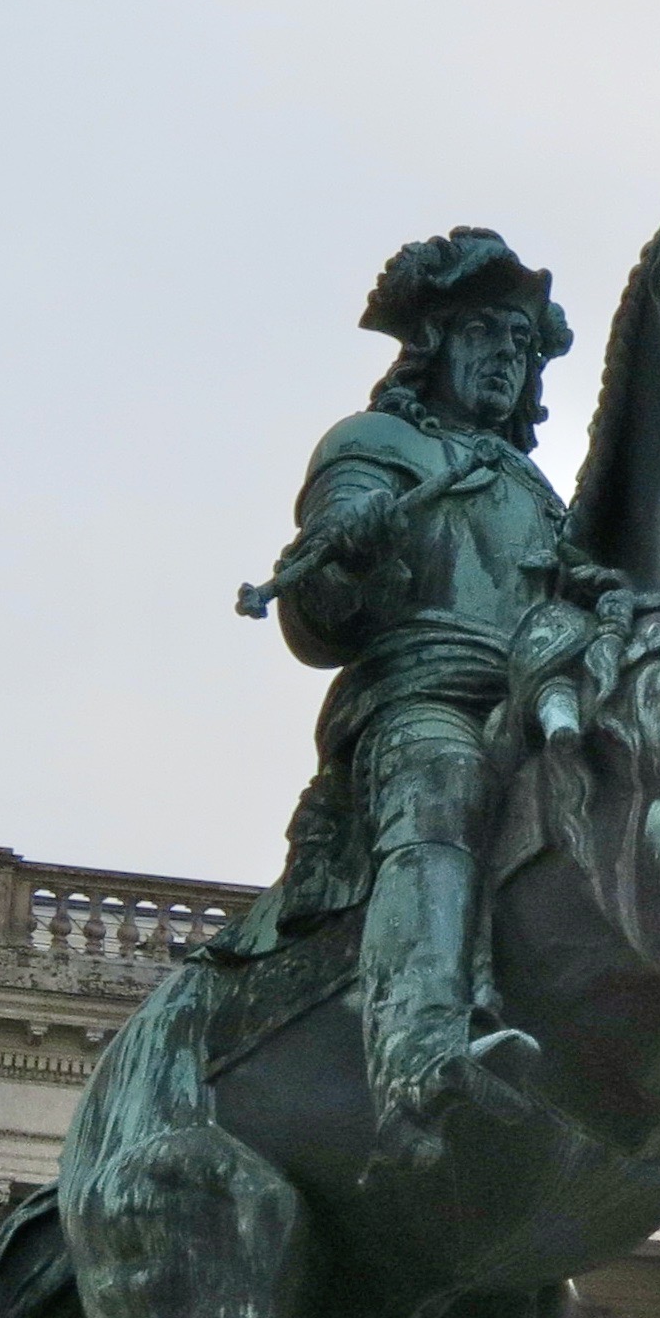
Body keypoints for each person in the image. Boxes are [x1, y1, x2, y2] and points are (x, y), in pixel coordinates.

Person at [226, 227, 599, 1170]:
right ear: (433, 343)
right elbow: (318, 623)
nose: (505, 361)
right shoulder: (374, 446)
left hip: (538, 698)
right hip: (421, 699)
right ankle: (417, 1053)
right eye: (485, 335)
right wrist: (346, 547)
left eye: (520, 346)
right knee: (442, 779)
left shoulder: (536, 491)